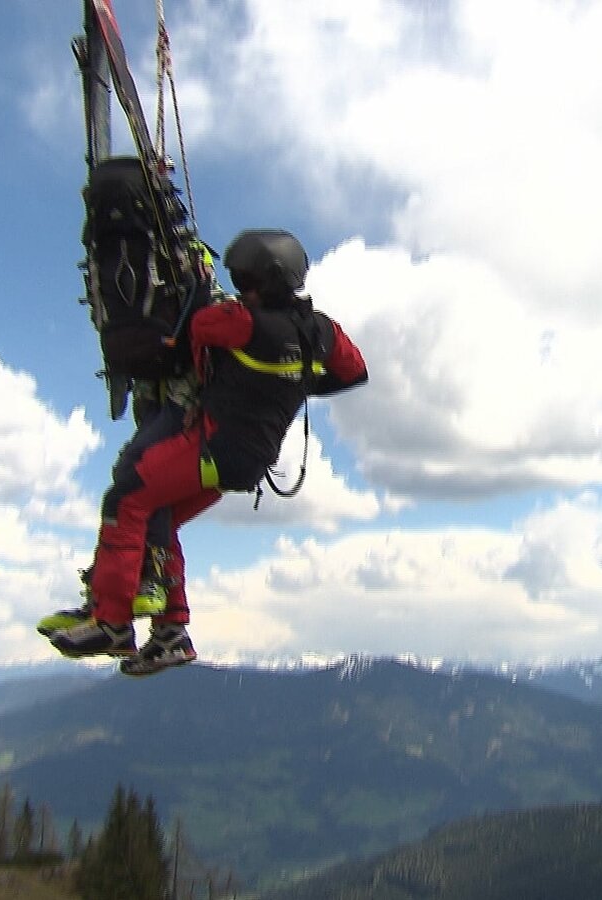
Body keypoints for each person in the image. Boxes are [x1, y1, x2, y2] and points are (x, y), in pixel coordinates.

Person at [50, 228, 369, 675]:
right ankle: (171, 634)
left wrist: (201, 281)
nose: (240, 286)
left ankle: (113, 621)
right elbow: (355, 372)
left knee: (127, 496)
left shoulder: (241, 322)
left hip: (212, 448)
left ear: (260, 280)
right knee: (158, 516)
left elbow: (199, 325)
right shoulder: (323, 331)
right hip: (249, 462)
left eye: (243, 279)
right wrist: (295, 381)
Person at [35, 242, 222, 638]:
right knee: (150, 502)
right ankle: (162, 621)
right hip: (184, 412)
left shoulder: (174, 286)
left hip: (182, 409)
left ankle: (116, 610)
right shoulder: (188, 287)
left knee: (130, 490)